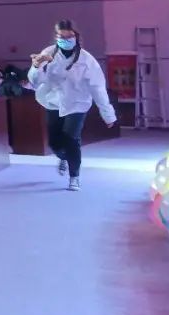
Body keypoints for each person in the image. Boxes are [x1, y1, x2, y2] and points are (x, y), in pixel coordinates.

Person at [28, 20, 116, 191]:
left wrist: (108, 114)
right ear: (56, 37)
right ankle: (63, 157)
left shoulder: (87, 60)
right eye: (62, 37)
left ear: (76, 37)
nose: (66, 40)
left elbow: (98, 88)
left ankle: (74, 176)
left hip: (77, 103)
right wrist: (36, 66)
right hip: (53, 102)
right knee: (54, 143)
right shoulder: (48, 53)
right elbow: (35, 82)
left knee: (71, 139)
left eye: (69, 36)